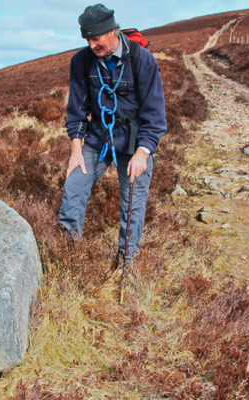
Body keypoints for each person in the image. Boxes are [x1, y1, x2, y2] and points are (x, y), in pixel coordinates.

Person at [58, 3, 167, 263]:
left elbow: (155, 116)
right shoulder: (81, 61)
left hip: (134, 142)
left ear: (113, 32)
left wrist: (143, 153)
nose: (92, 45)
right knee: (73, 187)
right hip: (97, 139)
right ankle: (67, 255)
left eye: (96, 38)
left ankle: (126, 262)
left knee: (132, 205)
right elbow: (76, 112)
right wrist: (76, 151)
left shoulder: (141, 59)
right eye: (87, 39)